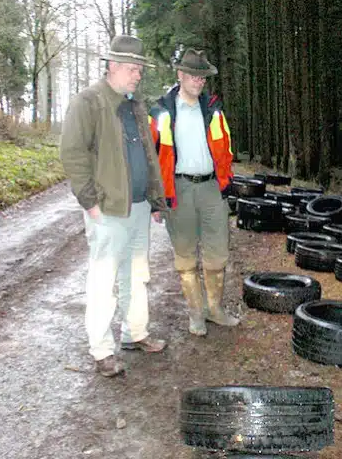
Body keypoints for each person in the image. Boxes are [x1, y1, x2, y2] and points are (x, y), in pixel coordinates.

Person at [60, 35, 168, 377]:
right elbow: (73, 154)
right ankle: (102, 350)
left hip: (137, 208)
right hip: (107, 210)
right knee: (104, 280)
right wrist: (89, 202)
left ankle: (135, 333)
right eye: (133, 69)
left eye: (140, 69)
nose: (138, 75)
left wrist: (154, 198)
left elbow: (147, 157)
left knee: (137, 275)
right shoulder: (88, 102)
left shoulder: (134, 105)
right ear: (113, 66)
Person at [149, 48, 239, 336]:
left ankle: (214, 310)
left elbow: (226, 150)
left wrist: (227, 183)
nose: (200, 81)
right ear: (180, 75)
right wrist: (156, 199)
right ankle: (195, 314)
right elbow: (152, 157)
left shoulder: (213, 109)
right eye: (194, 76)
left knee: (217, 253)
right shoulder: (162, 112)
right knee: (185, 256)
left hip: (212, 188)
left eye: (203, 77)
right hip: (180, 189)